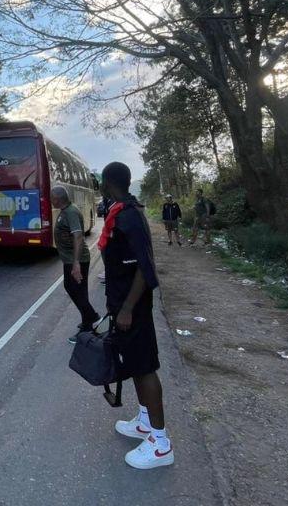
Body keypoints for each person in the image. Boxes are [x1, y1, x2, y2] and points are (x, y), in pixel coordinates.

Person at [98, 161, 173, 469]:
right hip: (122, 304)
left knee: (145, 368)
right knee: (135, 364)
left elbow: (145, 265)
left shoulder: (130, 216)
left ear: (107, 182)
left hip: (134, 308)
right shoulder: (120, 210)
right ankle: (145, 422)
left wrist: (128, 308)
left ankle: (161, 444)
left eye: (102, 181)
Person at [51, 187, 99, 344]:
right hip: (71, 259)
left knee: (73, 289)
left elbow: (78, 236)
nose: (51, 200)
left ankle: (90, 319)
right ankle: (87, 321)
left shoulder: (70, 212)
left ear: (58, 199)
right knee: (78, 291)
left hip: (76, 260)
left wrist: (76, 263)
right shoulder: (66, 210)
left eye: (52, 198)